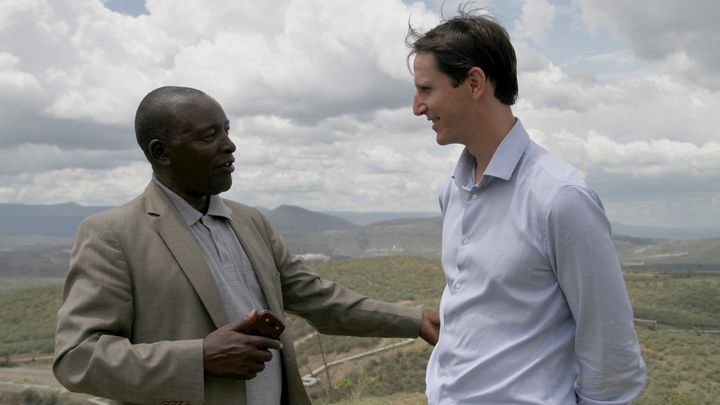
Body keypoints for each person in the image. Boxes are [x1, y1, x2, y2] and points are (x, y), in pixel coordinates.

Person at [53, 86, 440, 405]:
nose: (230, 145)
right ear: (161, 152)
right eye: (209, 136)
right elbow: (77, 359)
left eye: (226, 130)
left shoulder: (250, 221)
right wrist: (199, 357)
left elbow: (318, 298)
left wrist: (415, 320)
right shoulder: (113, 234)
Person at [408, 8, 646, 405]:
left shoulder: (560, 197)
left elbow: (611, 352)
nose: (417, 107)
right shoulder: (452, 190)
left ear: (474, 82)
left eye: (426, 90)